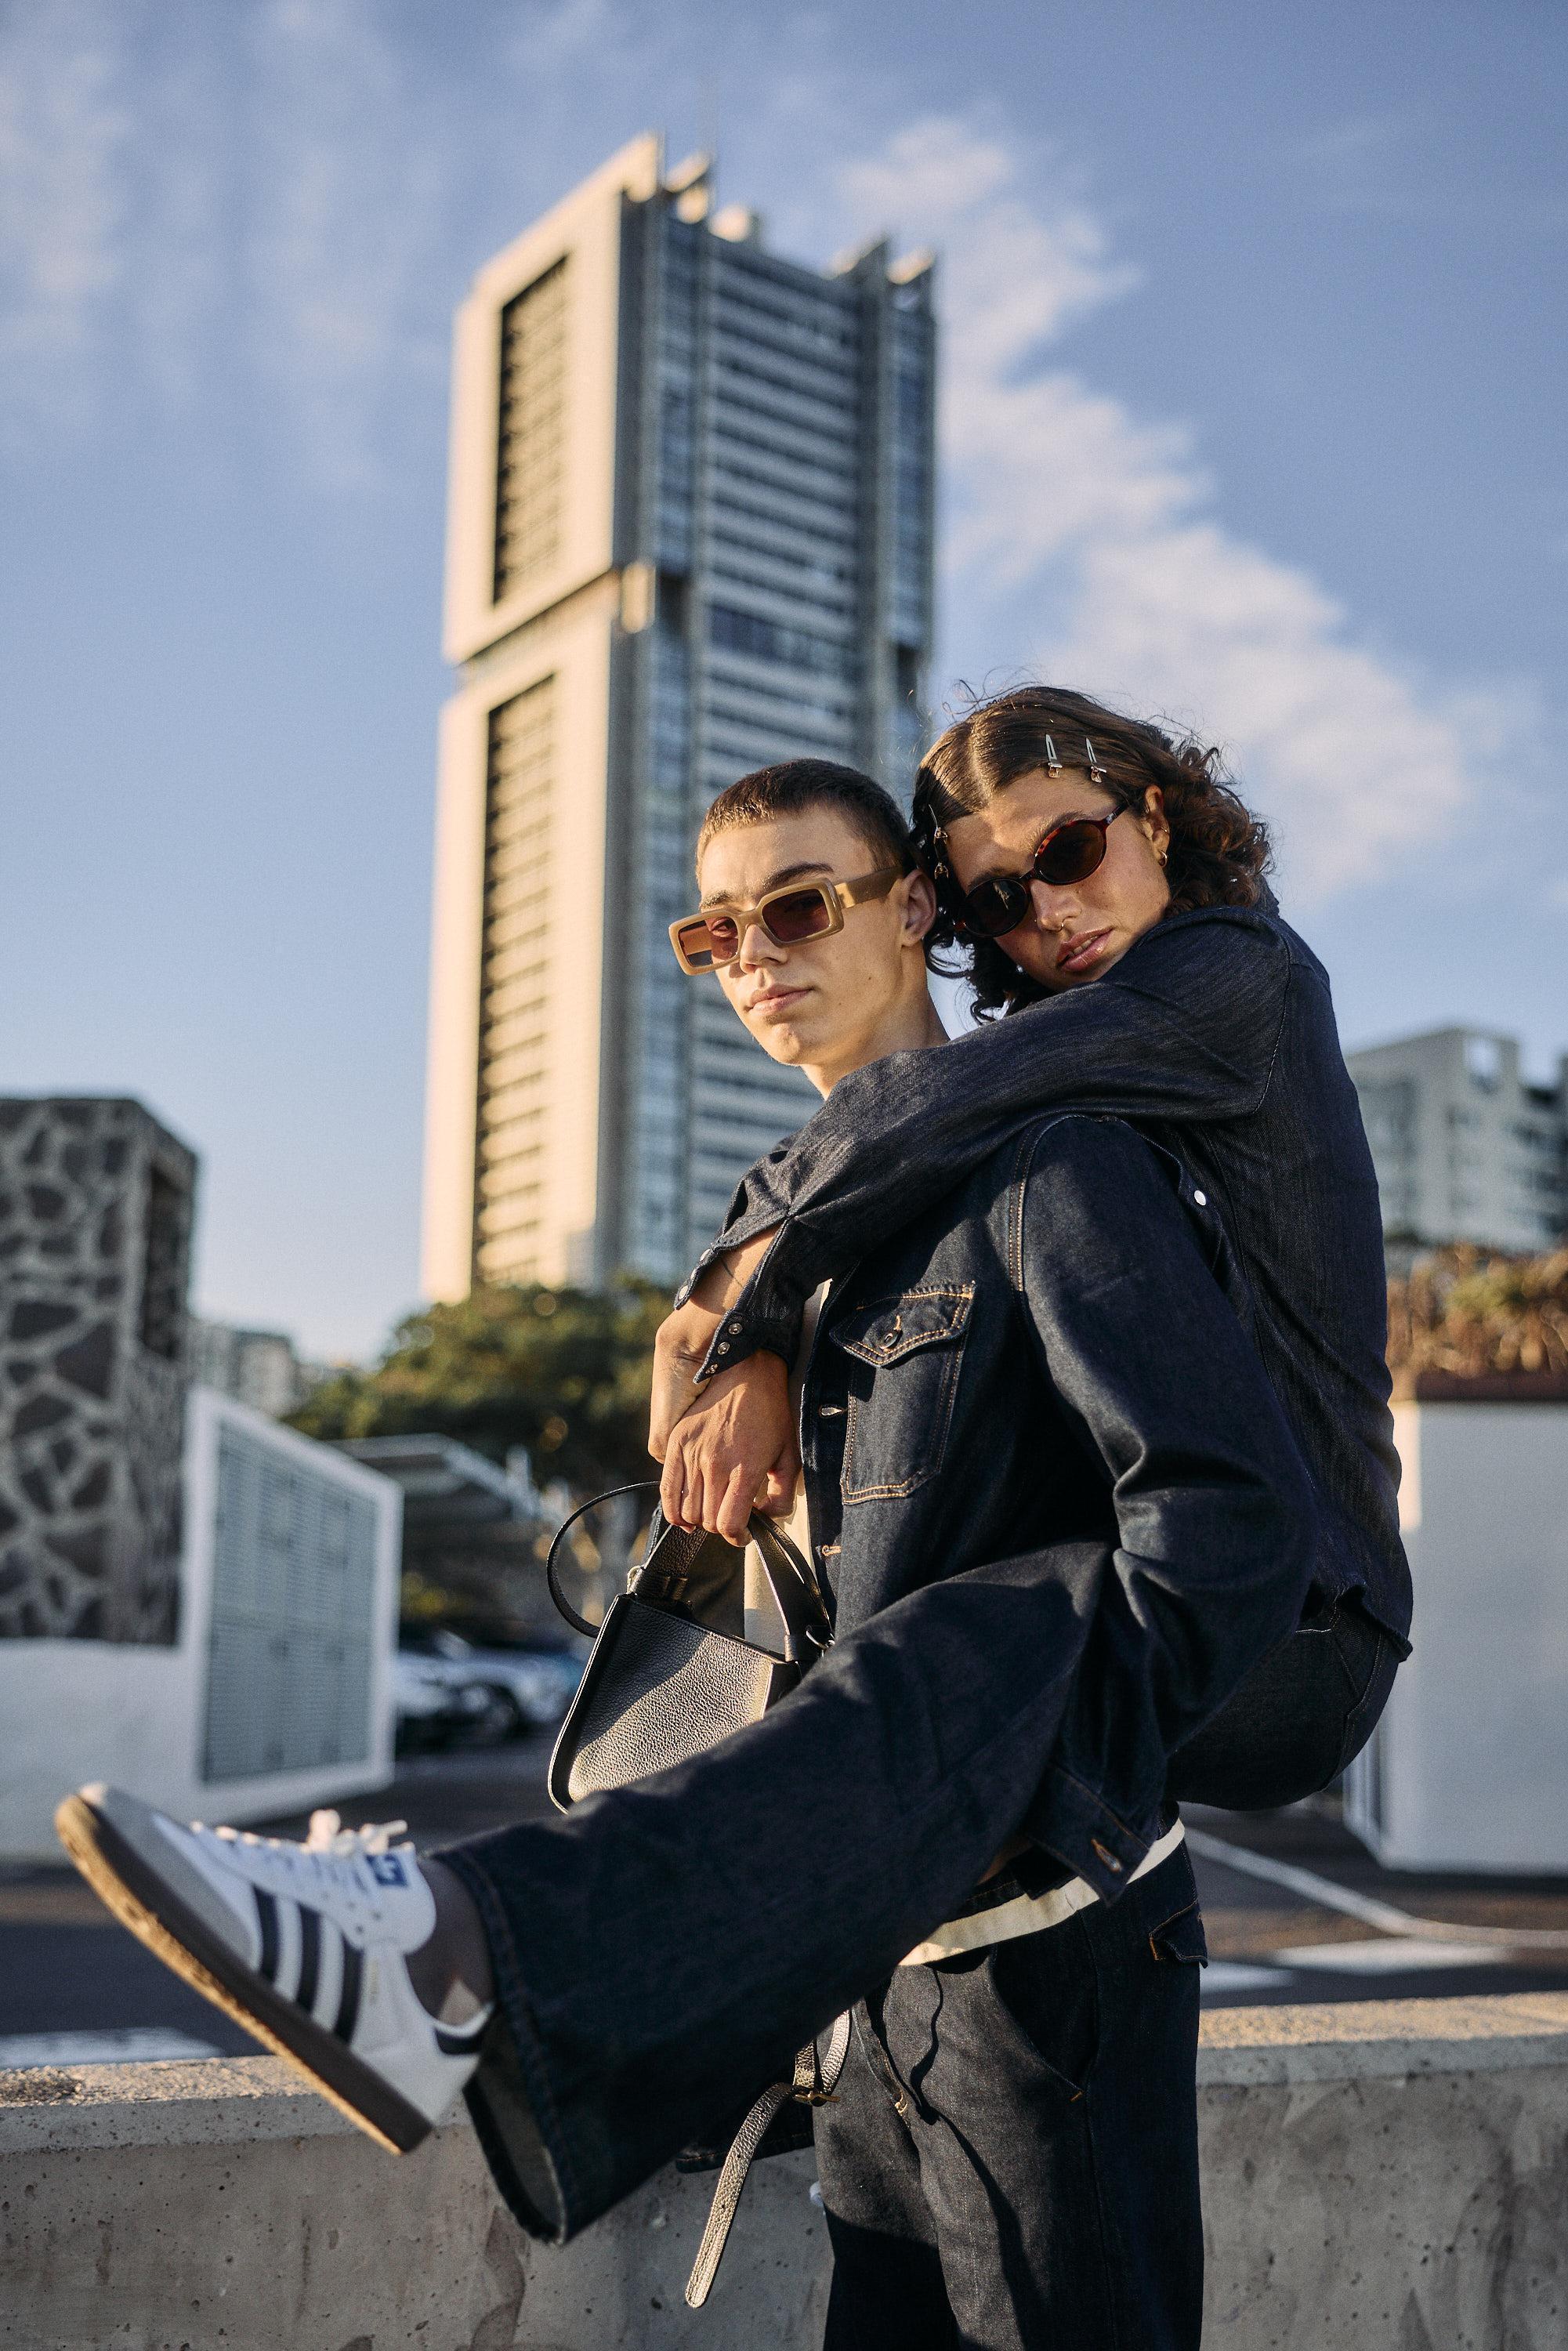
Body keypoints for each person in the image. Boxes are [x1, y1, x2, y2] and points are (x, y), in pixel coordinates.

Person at [59, 746, 1325, 2349]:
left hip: (1051, 1963)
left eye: (798, 904)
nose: (756, 958)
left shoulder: (1050, 1163)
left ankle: (461, 1952)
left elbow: (1224, 1526)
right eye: (712, 933)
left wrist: (1055, 1809)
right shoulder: (779, 1259)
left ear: (914, 904)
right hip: (870, 1975)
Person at [654, 686, 1408, 1812]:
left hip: (1290, 1614)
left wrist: (736, 1303)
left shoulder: (1237, 980)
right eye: (999, 896)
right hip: (1139, 1603)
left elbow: (932, 1099)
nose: (1049, 909)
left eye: (1067, 849)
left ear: (1153, 818)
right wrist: (756, 1333)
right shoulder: (1054, 1080)